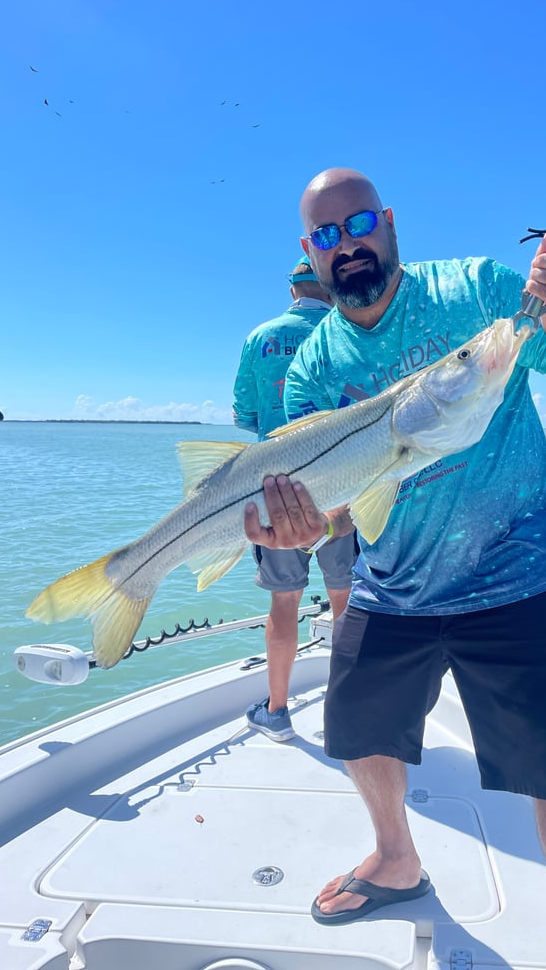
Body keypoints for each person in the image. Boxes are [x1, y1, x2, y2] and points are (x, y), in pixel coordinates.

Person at [244, 169, 546, 969]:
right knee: (353, 728)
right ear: (311, 254)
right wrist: (301, 528)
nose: (347, 246)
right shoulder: (313, 366)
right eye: (327, 235)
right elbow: (335, 508)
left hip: (520, 571)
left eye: (359, 224)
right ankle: (396, 859)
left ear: (388, 223)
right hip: (394, 583)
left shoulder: (479, 290)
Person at [233, 255, 356, 741]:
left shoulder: (260, 337)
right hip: (343, 487)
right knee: (345, 597)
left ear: (292, 292)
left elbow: (245, 412)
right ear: (327, 288)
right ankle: (347, 707)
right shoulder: (346, 332)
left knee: (284, 603)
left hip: (275, 495)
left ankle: (278, 712)